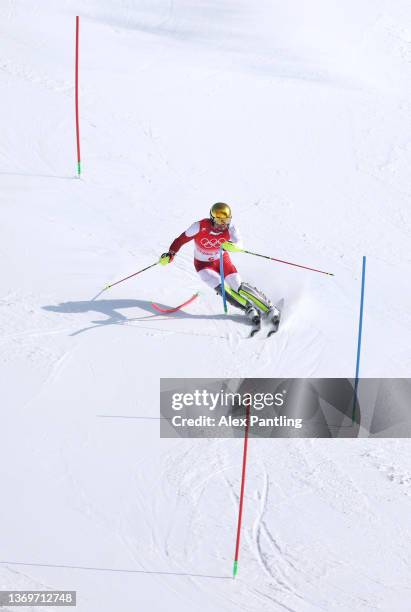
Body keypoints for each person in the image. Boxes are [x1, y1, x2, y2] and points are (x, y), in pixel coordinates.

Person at [159, 202, 279, 327]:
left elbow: (240, 245)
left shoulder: (231, 228)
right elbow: (180, 240)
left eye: (226, 220)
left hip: (222, 261)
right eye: (219, 220)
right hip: (203, 265)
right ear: (212, 218)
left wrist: (232, 246)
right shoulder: (199, 226)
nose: (223, 224)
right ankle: (248, 308)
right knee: (222, 288)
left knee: (237, 286)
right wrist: (171, 254)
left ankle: (269, 308)